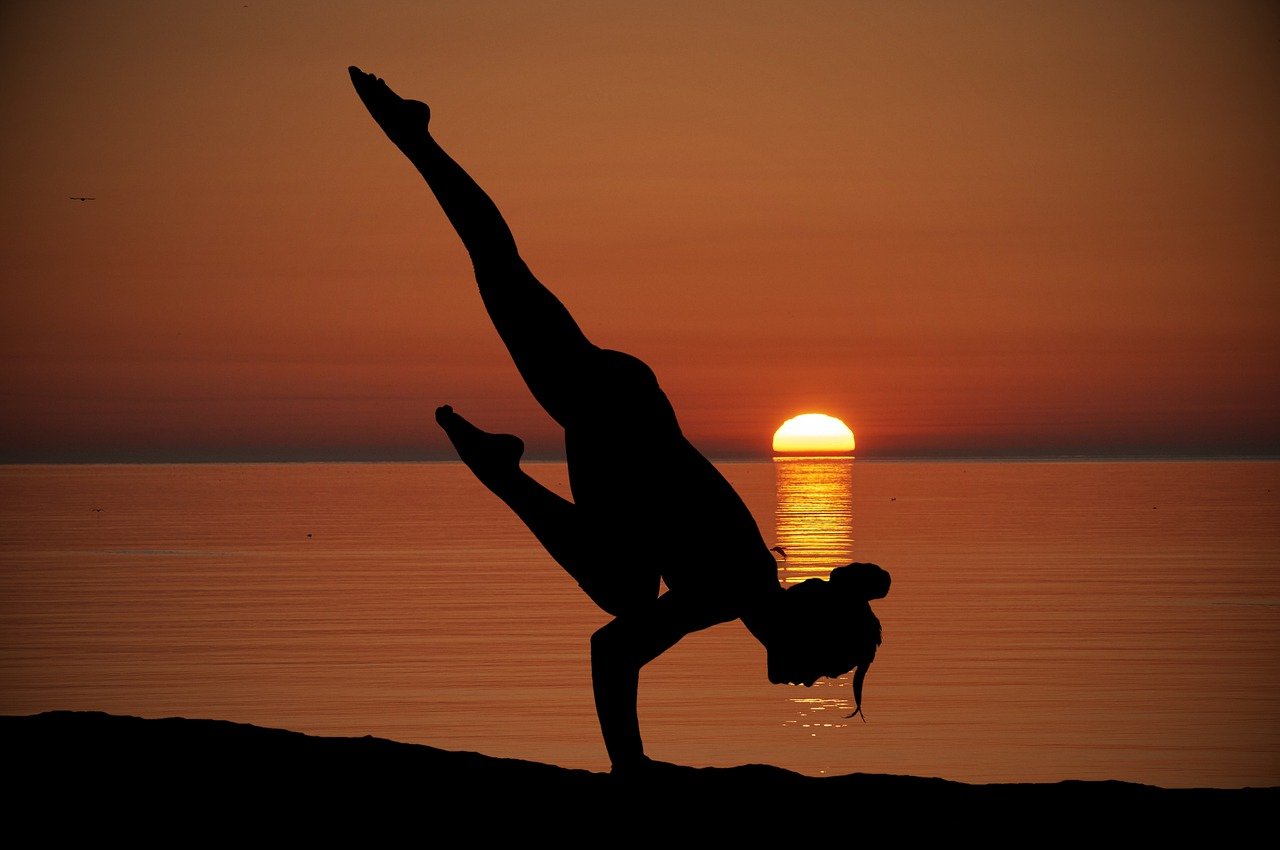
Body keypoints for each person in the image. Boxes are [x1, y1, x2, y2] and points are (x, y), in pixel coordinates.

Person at [348, 67, 890, 771]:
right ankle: (417, 139)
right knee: (499, 268)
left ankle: (502, 471)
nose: (817, 681)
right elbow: (611, 654)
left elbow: (619, 643)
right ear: (810, 633)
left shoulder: (741, 589)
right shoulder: (734, 589)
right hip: (614, 414)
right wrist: (630, 771)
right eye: (829, 666)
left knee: (625, 588)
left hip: (619, 415)